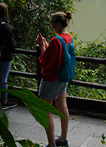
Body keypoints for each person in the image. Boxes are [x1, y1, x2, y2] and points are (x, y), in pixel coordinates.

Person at [36, 11, 74, 147]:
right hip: (63, 78)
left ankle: (52, 145)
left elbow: (45, 62)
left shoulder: (56, 40)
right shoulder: (69, 37)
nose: (52, 27)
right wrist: (47, 47)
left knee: (45, 111)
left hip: (51, 79)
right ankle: (63, 140)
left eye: (52, 24)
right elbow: (59, 56)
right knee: (62, 107)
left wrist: (42, 47)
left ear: (57, 24)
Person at [0, 3, 17, 110]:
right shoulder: (5, 26)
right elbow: (11, 44)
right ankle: (4, 101)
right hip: (5, 56)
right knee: (3, 78)